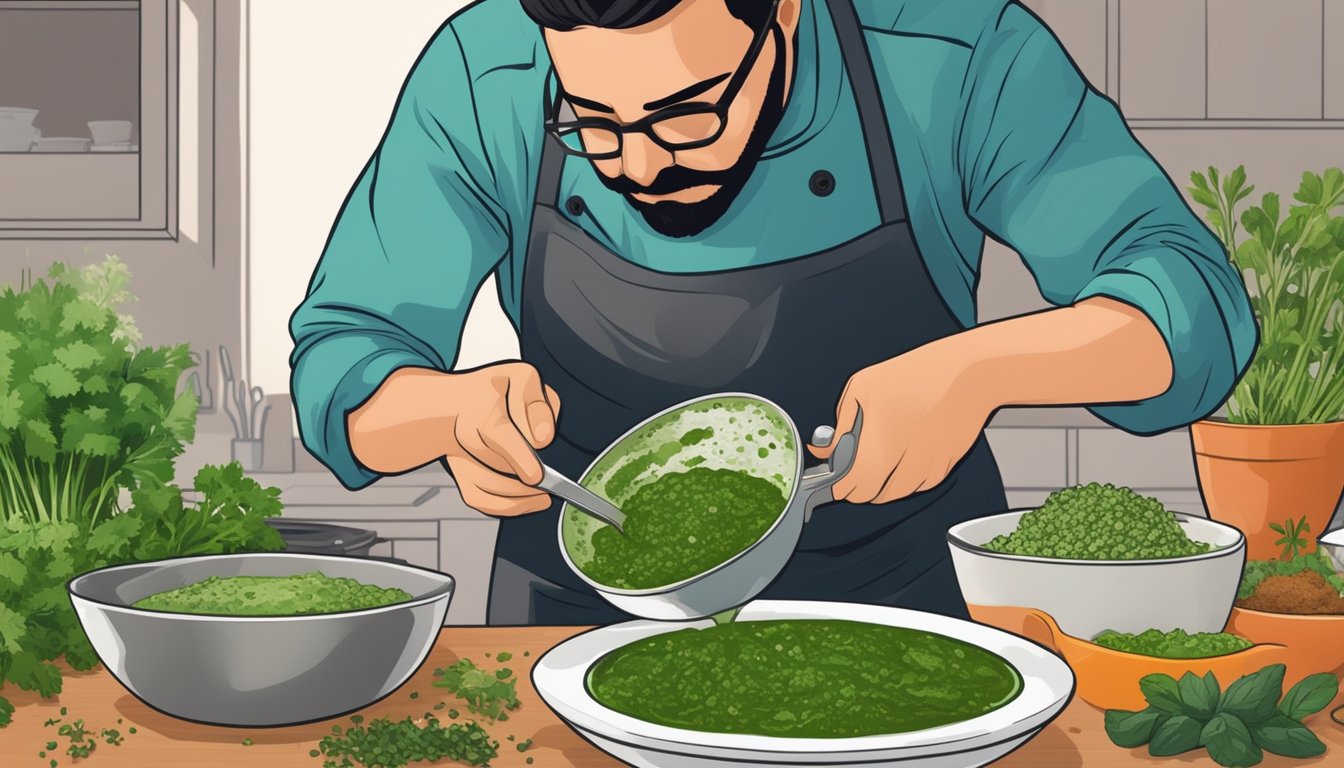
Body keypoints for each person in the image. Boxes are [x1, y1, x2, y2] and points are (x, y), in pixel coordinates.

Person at [289, 0, 1257, 625]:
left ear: (783, 14)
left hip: (906, 601)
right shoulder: (483, 73)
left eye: (686, 113)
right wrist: (440, 412)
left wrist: (979, 369)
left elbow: (1194, 310)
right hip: (575, 612)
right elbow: (344, 359)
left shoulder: (950, 57)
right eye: (591, 124)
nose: (638, 165)